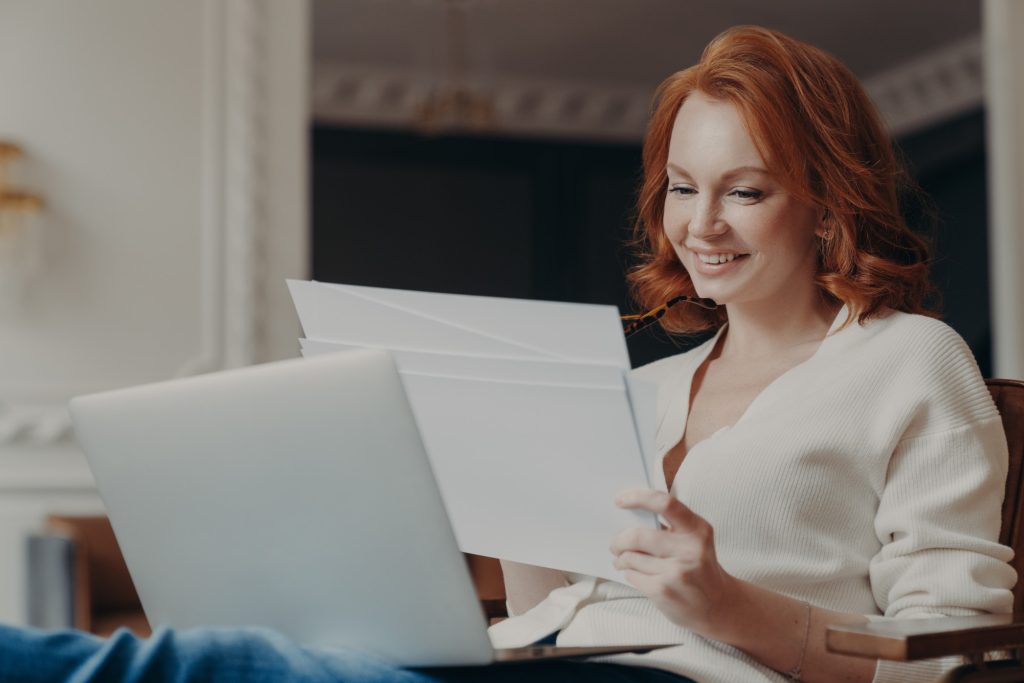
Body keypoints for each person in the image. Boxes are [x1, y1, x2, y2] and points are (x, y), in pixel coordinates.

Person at [0, 24, 1014, 683]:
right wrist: (503, 487)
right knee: (237, 656)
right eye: (681, 186)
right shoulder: (648, 386)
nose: (701, 223)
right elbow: (556, 608)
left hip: (684, 677)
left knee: (207, 669)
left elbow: (949, 654)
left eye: (744, 189)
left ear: (828, 202)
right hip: (546, 659)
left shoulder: (907, 363)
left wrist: (723, 601)